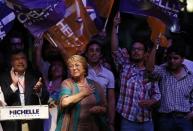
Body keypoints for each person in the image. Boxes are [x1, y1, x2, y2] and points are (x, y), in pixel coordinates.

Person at [111, 13, 161, 131]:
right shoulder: (125, 65)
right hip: (127, 120)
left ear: (145, 53)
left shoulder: (152, 72)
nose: (136, 51)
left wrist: (151, 101)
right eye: (133, 49)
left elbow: (157, 96)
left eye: (139, 49)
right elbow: (114, 49)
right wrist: (114, 26)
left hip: (147, 121)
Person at [147, 36, 193, 131]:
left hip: (184, 119)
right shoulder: (163, 70)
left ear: (182, 59)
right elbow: (149, 69)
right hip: (165, 119)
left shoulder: (190, 76)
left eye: (175, 58)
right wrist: (155, 47)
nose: (172, 61)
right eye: (170, 58)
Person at [0, 49, 49, 131]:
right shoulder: (4, 78)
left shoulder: (35, 75)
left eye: (23, 58)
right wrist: (14, 85)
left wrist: (39, 91)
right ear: (11, 62)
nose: (20, 61)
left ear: (26, 60)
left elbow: (46, 97)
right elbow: (5, 99)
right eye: (16, 59)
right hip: (13, 125)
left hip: (33, 124)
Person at [56, 55, 107, 131]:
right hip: (74, 128)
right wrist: (83, 93)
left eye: (77, 65)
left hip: (93, 127)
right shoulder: (67, 83)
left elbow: (105, 107)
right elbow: (64, 102)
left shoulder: (96, 85)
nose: (74, 68)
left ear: (84, 68)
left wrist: (99, 109)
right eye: (71, 66)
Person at [85, 40, 115, 131]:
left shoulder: (108, 74)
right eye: (91, 50)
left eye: (97, 50)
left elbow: (111, 100)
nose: (94, 53)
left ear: (101, 55)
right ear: (86, 54)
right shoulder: (80, 71)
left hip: (101, 115)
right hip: (83, 115)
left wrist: (111, 122)